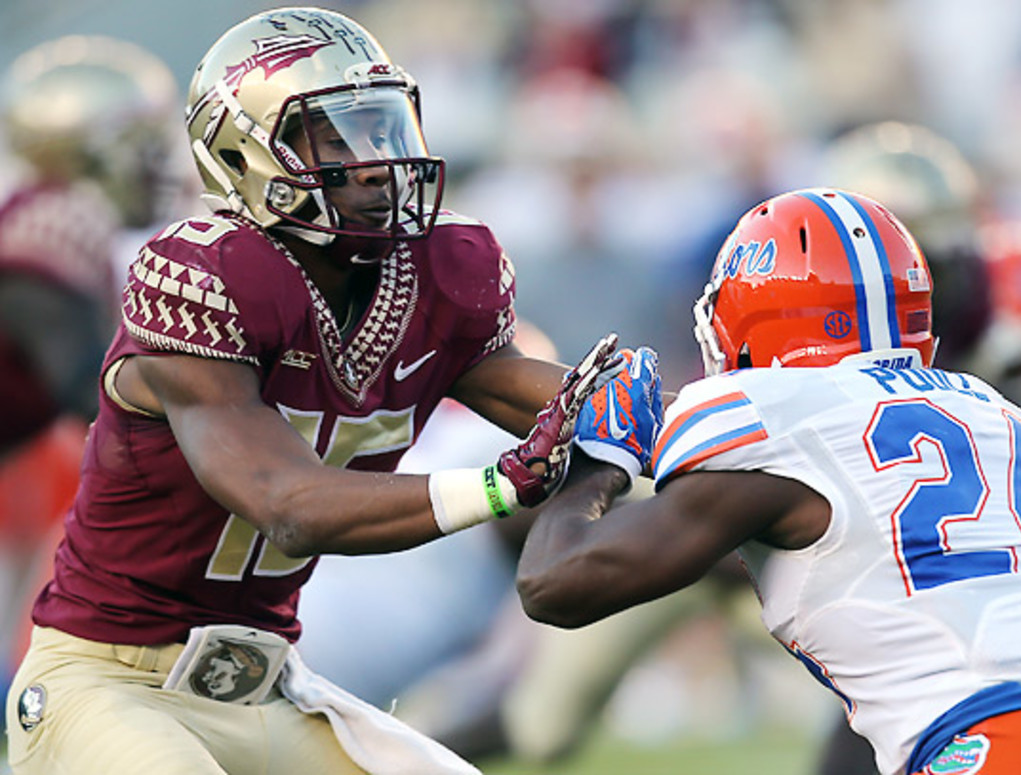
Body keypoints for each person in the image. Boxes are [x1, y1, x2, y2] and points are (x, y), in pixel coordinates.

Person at [3, 8, 628, 775]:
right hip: (109, 682)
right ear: (245, 151)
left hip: (265, 685)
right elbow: (287, 504)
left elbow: (546, 394)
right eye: (337, 139)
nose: (375, 163)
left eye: (383, 128)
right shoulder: (205, 275)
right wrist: (498, 485)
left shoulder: (435, 270)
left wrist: (662, 415)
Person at [515, 188, 1021, 774]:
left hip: (998, 740)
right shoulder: (991, 412)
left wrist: (600, 459)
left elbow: (554, 583)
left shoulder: (780, 424)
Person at [0, 34, 188, 714]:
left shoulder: (59, 214)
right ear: (88, 151)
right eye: (142, 146)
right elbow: (92, 388)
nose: (160, 164)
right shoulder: (52, 224)